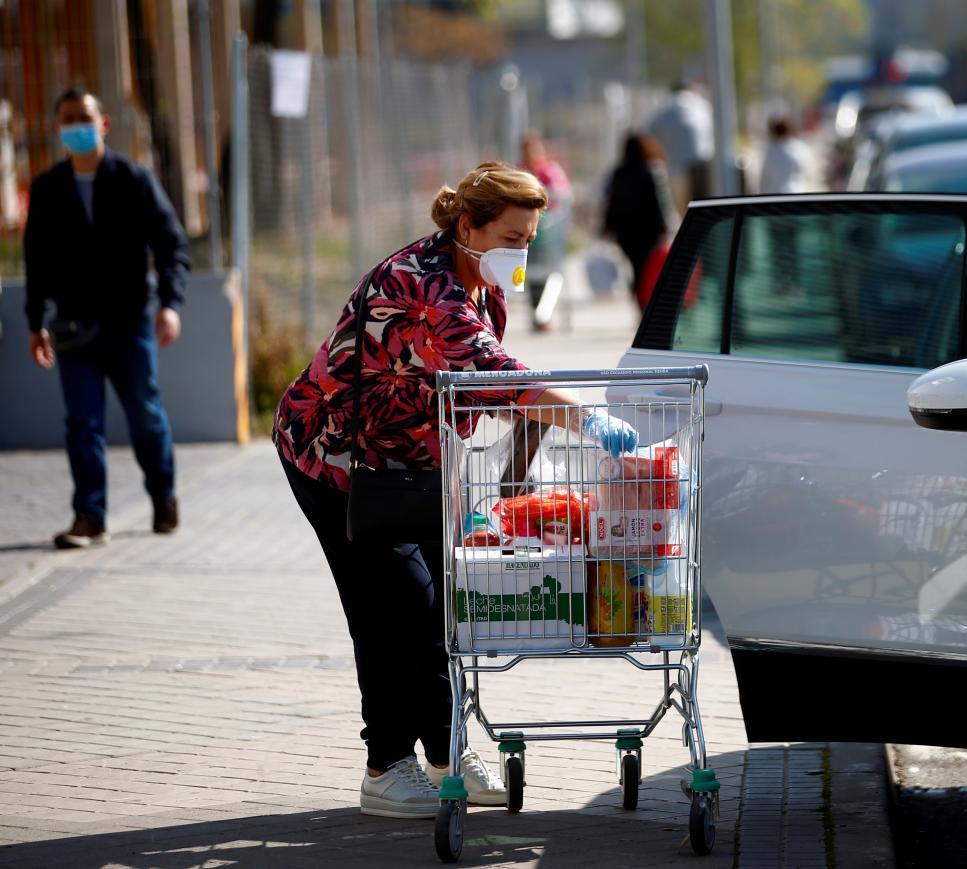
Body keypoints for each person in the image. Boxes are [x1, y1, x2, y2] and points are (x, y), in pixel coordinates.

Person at [272, 161, 638, 820]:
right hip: (336, 459)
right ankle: (388, 766)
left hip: (410, 462)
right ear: (466, 226)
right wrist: (586, 417)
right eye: (511, 237)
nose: (520, 252)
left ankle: (448, 754)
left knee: (446, 605)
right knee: (395, 606)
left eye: (529, 239)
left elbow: (479, 393)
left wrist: (507, 486)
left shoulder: (481, 285)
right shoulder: (427, 284)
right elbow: (496, 372)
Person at [24, 88, 189, 549]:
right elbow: (36, 261)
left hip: (130, 323)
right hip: (74, 327)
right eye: (68, 119)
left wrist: (170, 305)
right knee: (82, 422)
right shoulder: (47, 188)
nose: (76, 125)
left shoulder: (132, 180)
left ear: (104, 124)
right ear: (58, 129)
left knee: (144, 415)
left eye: (84, 117)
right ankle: (89, 517)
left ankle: (163, 496)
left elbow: (171, 245)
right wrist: (35, 321)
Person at [602, 133, 676, 308]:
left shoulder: (618, 173)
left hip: (625, 232)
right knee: (645, 268)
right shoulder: (651, 171)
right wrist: (665, 227)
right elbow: (659, 203)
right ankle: (644, 303)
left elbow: (612, 203)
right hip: (648, 231)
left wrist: (608, 227)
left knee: (635, 268)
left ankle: (640, 301)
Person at [518, 130, 571, 331]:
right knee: (531, 272)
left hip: (549, 233)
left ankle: (544, 314)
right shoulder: (519, 173)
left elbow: (561, 196)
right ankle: (539, 314)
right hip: (529, 235)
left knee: (551, 272)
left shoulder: (549, 172)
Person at [647, 80, 715, 211]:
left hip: (678, 170)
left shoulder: (665, 108)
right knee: (707, 212)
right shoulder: (702, 105)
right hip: (706, 167)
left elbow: (645, 136)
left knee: (685, 216)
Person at [758, 115, 814, 194]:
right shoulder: (800, 148)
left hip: (775, 194)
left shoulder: (770, 151)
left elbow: (764, 178)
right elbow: (808, 172)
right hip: (797, 193)